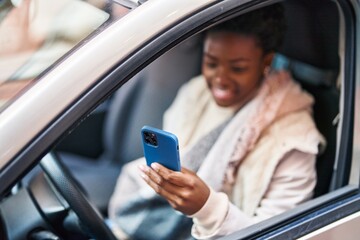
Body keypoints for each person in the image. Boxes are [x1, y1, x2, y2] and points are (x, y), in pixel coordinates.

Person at [108, 3, 326, 239]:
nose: (220, 79)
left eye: (238, 68)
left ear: (267, 62)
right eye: (211, 63)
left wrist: (207, 208)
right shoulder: (195, 94)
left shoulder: (294, 140)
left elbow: (276, 234)